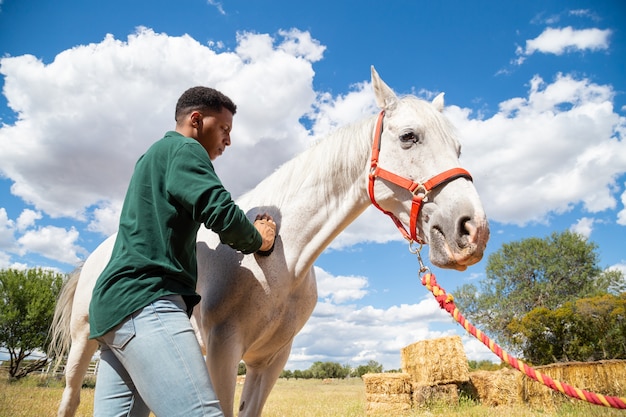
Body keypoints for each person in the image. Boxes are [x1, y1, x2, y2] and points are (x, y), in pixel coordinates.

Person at [88, 86, 276, 417]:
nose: (228, 140)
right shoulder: (185, 150)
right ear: (196, 119)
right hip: (147, 302)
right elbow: (222, 213)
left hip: (113, 310)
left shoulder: (152, 156)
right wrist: (259, 239)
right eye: (224, 129)